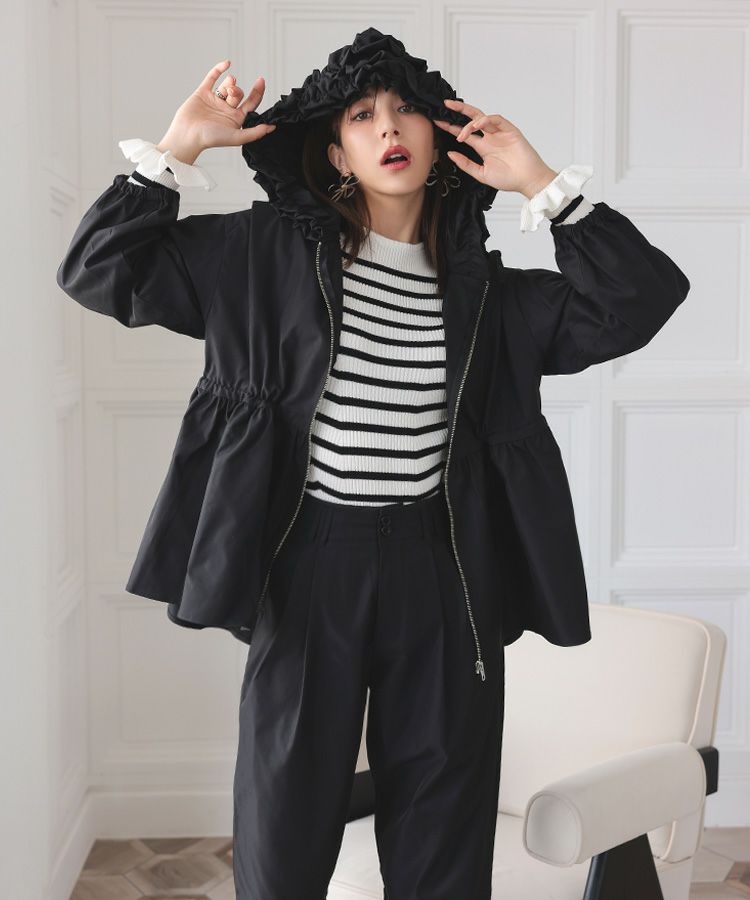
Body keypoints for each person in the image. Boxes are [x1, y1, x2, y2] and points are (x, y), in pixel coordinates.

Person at [56, 27, 691, 899]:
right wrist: (178, 148)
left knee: (443, 836)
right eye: (362, 115)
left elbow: (640, 300)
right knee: (284, 826)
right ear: (337, 153)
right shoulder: (259, 257)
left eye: (406, 111)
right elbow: (96, 269)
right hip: (309, 565)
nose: (388, 126)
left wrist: (544, 185)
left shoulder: (491, 298)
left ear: (439, 139)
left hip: (444, 570)